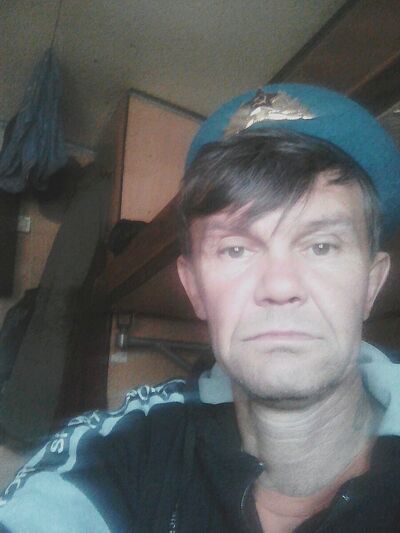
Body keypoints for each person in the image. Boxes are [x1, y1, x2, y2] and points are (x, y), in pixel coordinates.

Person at [1, 84, 400, 532]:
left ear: (372, 283)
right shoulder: (113, 454)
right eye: (235, 250)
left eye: (322, 246)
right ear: (194, 288)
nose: (280, 286)